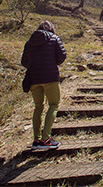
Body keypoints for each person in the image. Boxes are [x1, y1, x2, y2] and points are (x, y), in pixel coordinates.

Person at [21, 21, 66, 150]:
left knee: (38, 107)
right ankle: (46, 138)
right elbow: (62, 56)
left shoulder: (29, 42)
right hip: (50, 77)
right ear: (51, 29)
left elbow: (24, 62)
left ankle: (36, 140)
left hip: (34, 79)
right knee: (54, 104)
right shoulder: (54, 38)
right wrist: (52, 63)